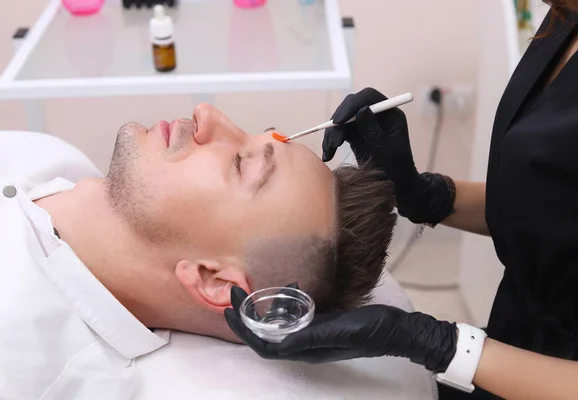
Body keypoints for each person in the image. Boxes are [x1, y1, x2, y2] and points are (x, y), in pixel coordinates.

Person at [225, 2, 578, 399]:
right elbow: (564, 208)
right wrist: (423, 194)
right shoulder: (574, 12)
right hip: (516, 339)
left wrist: (434, 343)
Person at [0, 103, 397, 399]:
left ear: (213, 280)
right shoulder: (49, 155)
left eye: (241, 164)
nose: (207, 114)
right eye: (255, 134)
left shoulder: (19, 358)